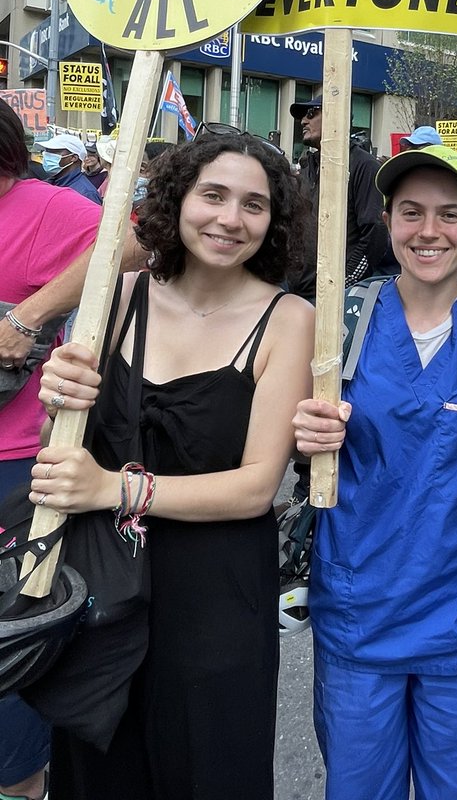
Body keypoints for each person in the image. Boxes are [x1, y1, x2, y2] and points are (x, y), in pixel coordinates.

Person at [30, 130, 314, 800]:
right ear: (177, 198)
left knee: (211, 772)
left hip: (217, 602)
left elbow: (255, 488)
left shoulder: (287, 319)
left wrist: (113, 488)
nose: (229, 218)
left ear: (274, 221)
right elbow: (66, 447)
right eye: (212, 195)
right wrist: (55, 402)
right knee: (101, 775)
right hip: (101, 593)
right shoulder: (117, 295)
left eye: (254, 204)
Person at [293, 145, 457, 800]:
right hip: (357, 617)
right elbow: (282, 434)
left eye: (449, 214)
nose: (428, 231)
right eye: (411, 213)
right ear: (387, 218)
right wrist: (305, 435)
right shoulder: (338, 323)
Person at [0, 103, 102, 800]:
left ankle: (23, 783)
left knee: (9, 637)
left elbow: (132, 244)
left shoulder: (42, 206)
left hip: (15, 454)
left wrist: (28, 315)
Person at [287, 94, 388, 301]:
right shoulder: (306, 170)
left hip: (332, 300)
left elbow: (374, 235)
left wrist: (341, 286)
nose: (303, 121)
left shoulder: (364, 166)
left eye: (311, 113)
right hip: (296, 295)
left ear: (336, 116)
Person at [32, 135, 99, 204]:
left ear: (73, 157)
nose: (46, 155)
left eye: (54, 152)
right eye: (46, 151)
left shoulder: (86, 193)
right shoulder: (47, 185)